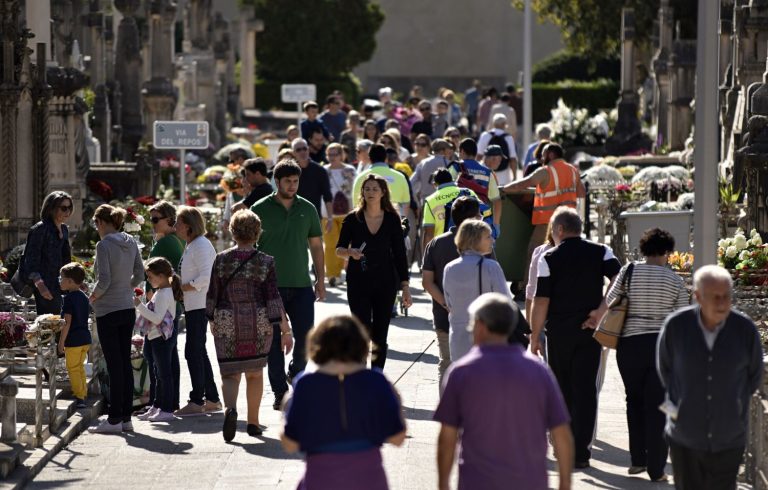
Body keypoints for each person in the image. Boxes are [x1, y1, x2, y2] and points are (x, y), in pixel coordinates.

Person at [434, 293, 573, 490]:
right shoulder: (539, 371)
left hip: (477, 482)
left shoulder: (461, 372)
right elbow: (562, 433)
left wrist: (443, 484)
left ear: (481, 326)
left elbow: (447, 437)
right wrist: (565, 483)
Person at [583, 228, 688, 481]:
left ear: (644, 248)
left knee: (634, 400)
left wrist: (596, 318)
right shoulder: (675, 281)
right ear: (666, 252)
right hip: (661, 347)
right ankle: (656, 468)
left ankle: (637, 459)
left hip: (630, 345)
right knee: (659, 406)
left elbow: (610, 299)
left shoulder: (629, 271)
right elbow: (683, 318)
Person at [657, 265, 764, 490]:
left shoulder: (744, 330)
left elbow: (753, 376)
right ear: (697, 296)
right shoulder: (677, 326)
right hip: (684, 434)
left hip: (728, 436)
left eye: (726, 296)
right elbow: (666, 370)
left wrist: (733, 403)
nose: (722, 302)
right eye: (714, 297)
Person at [530, 207, 621, 468]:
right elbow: (619, 278)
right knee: (586, 390)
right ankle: (581, 453)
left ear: (559, 230)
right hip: (591, 331)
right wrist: (601, 311)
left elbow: (541, 300)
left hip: (559, 332)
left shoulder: (549, 258)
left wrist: (535, 336)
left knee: (561, 389)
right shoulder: (601, 251)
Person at [281, 315, 406, 490]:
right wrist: (396, 401)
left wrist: (286, 408)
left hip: (320, 479)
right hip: (369, 479)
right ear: (362, 346)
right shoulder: (377, 381)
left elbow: (290, 443)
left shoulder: (306, 384)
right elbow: (398, 438)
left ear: (317, 346)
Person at [206, 210, 293, 442]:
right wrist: (285, 329)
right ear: (257, 233)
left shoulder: (221, 259)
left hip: (226, 320)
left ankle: (231, 409)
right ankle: (253, 423)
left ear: (233, 232)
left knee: (230, 373)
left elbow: (212, 293)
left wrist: (211, 319)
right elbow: (273, 297)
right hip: (258, 321)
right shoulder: (266, 261)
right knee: (255, 374)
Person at [251, 160, 326, 410]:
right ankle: (279, 392)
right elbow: (250, 247)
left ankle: (296, 371)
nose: (292, 186)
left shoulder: (308, 208)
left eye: (296, 181)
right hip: (268, 287)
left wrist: (321, 279)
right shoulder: (259, 208)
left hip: (301, 284)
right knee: (272, 342)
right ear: (277, 182)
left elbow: (316, 245)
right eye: (288, 181)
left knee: (306, 338)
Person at [336, 174, 411, 369]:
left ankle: (376, 377)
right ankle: (359, 374)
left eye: (374, 189)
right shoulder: (353, 218)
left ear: (383, 192)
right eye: (367, 189)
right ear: (362, 192)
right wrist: (350, 252)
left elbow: (400, 254)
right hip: (358, 281)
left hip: (385, 282)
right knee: (360, 331)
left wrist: (405, 285)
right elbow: (339, 249)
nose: (370, 192)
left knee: (380, 333)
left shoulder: (393, 219)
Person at [89, 204, 144, 433]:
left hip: (108, 309)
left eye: (95, 224)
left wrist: (92, 297)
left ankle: (113, 420)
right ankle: (126, 418)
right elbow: (140, 274)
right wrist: (125, 287)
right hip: (126, 307)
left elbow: (103, 281)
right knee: (124, 363)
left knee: (115, 364)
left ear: (101, 222)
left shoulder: (104, 245)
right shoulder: (130, 241)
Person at [501, 142, 585, 293]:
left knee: (534, 253)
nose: (541, 157)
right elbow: (581, 193)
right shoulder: (573, 170)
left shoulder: (546, 171)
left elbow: (522, 184)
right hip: (570, 220)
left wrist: (504, 189)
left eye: (544, 153)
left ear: (551, 155)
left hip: (547, 221)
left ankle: (525, 289)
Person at [422, 196, 483, 386]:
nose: (482, 218)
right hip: (478, 320)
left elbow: (427, 282)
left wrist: (446, 304)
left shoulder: (436, 244)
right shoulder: (483, 243)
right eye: (479, 215)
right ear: (472, 218)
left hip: (443, 317)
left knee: (447, 365)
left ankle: (446, 412)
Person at [175, 206, 222, 416]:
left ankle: (197, 399)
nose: (175, 226)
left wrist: (183, 287)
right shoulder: (192, 245)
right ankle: (211, 398)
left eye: (177, 223)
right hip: (194, 304)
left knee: (193, 351)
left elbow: (206, 277)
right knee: (198, 351)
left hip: (200, 304)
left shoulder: (201, 245)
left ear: (187, 225)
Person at [443, 219, 510, 361]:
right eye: (488, 236)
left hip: (457, 336)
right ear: (474, 240)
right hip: (488, 336)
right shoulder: (491, 267)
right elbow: (506, 304)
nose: (492, 240)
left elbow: (449, 303)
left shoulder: (449, 268)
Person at [144, 200, 184, 413]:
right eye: (151, 219)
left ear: (169, 220)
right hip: (168, 307)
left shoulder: (167, 243)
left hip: (162, 309)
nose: (152, 223)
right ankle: (165, 402)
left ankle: (161, 403)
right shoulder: (168, 240)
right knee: (165, 359)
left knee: (157, 360)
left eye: (156, 219)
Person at [134, 257, 183, 422]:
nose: (149, 280)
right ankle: (157, 406)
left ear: (161, 276)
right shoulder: (161, 291)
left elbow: (157, 318)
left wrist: (139, 306)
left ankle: (167, 409)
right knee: (158, 374)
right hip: (155, 337)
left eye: (150, 277)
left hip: (161, 338)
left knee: (164, 375)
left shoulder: (164, 293)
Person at [21, 191, 73, 314]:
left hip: (60, 284)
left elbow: (66, 259)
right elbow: (31, 259)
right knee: (48, 325)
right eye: (64, 208)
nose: (68, 212)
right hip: (45, 286)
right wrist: (40, 286)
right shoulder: (40, 229)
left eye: (70, 207)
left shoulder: (64, 229)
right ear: (51, 208)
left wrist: (74, 280)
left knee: (59, 323)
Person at [448, 138, 502, 237]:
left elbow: (446, 190)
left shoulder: (456, 167)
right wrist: (496, 225)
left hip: (460, 218)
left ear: (462, 151)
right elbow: (497, 201)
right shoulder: (488, 172)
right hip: (481, 218)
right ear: (476, 153)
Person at [420, 168, 481, 256]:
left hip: (443, 248)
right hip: (471, 245)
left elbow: (429, 233)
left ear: (435, 184)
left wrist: (425, 259)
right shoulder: (469, 192)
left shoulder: (430, 200)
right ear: (452, 180)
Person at [58, 262, 91, 409]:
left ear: (70, 281)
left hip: (73, 340)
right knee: (80, 368)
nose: (60, 281)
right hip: (85, 338)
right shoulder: (84, 297)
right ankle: (82, 393)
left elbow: (67, 322)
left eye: (62, 278)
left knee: (72, 369)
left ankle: (80, 398)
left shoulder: (69, 299)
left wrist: (61, 343)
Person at [323, 143, 357, 286]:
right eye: (330, 154)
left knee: (346, 244)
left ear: (342, 154)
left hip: (347, 213)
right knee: (330, 245)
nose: (332, 157)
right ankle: (332, 275)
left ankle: (347, 272)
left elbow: (355, 191)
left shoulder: (350, 170)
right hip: (327, 213)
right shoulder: (323, 170)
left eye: (335, 154)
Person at [353, 144, 410, 217]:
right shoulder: (400, 177)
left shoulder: (360, 178)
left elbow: (356, 206)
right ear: (386, 158)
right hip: (394, 222)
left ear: (369, 159)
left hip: (368, 223)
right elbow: (406, 203)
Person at [291, 138, 333, 224]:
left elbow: (327, 195)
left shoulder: (320, 170)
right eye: (298, 150)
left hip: (315, 218)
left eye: (304, 148)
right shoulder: (289, 171)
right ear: (293, 153)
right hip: (293, 218)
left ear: (308, 149)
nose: (302, 152)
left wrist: (330, 218)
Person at [410, 138, 454, 206]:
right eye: (448, 148)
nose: (450, 150)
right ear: (443, 150)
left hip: (426, 201)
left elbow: (411, 182)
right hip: (443, 202)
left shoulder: (423, 163)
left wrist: (416, 202)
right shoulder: (449, 164)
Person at [477, 114, 518, 184]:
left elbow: (479, 156)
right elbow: (513, 159)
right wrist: (514, 177)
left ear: (493, 123)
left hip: (486, 175)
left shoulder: (485, 135)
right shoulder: (508, 138)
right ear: (504, 124)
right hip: (504, 177)